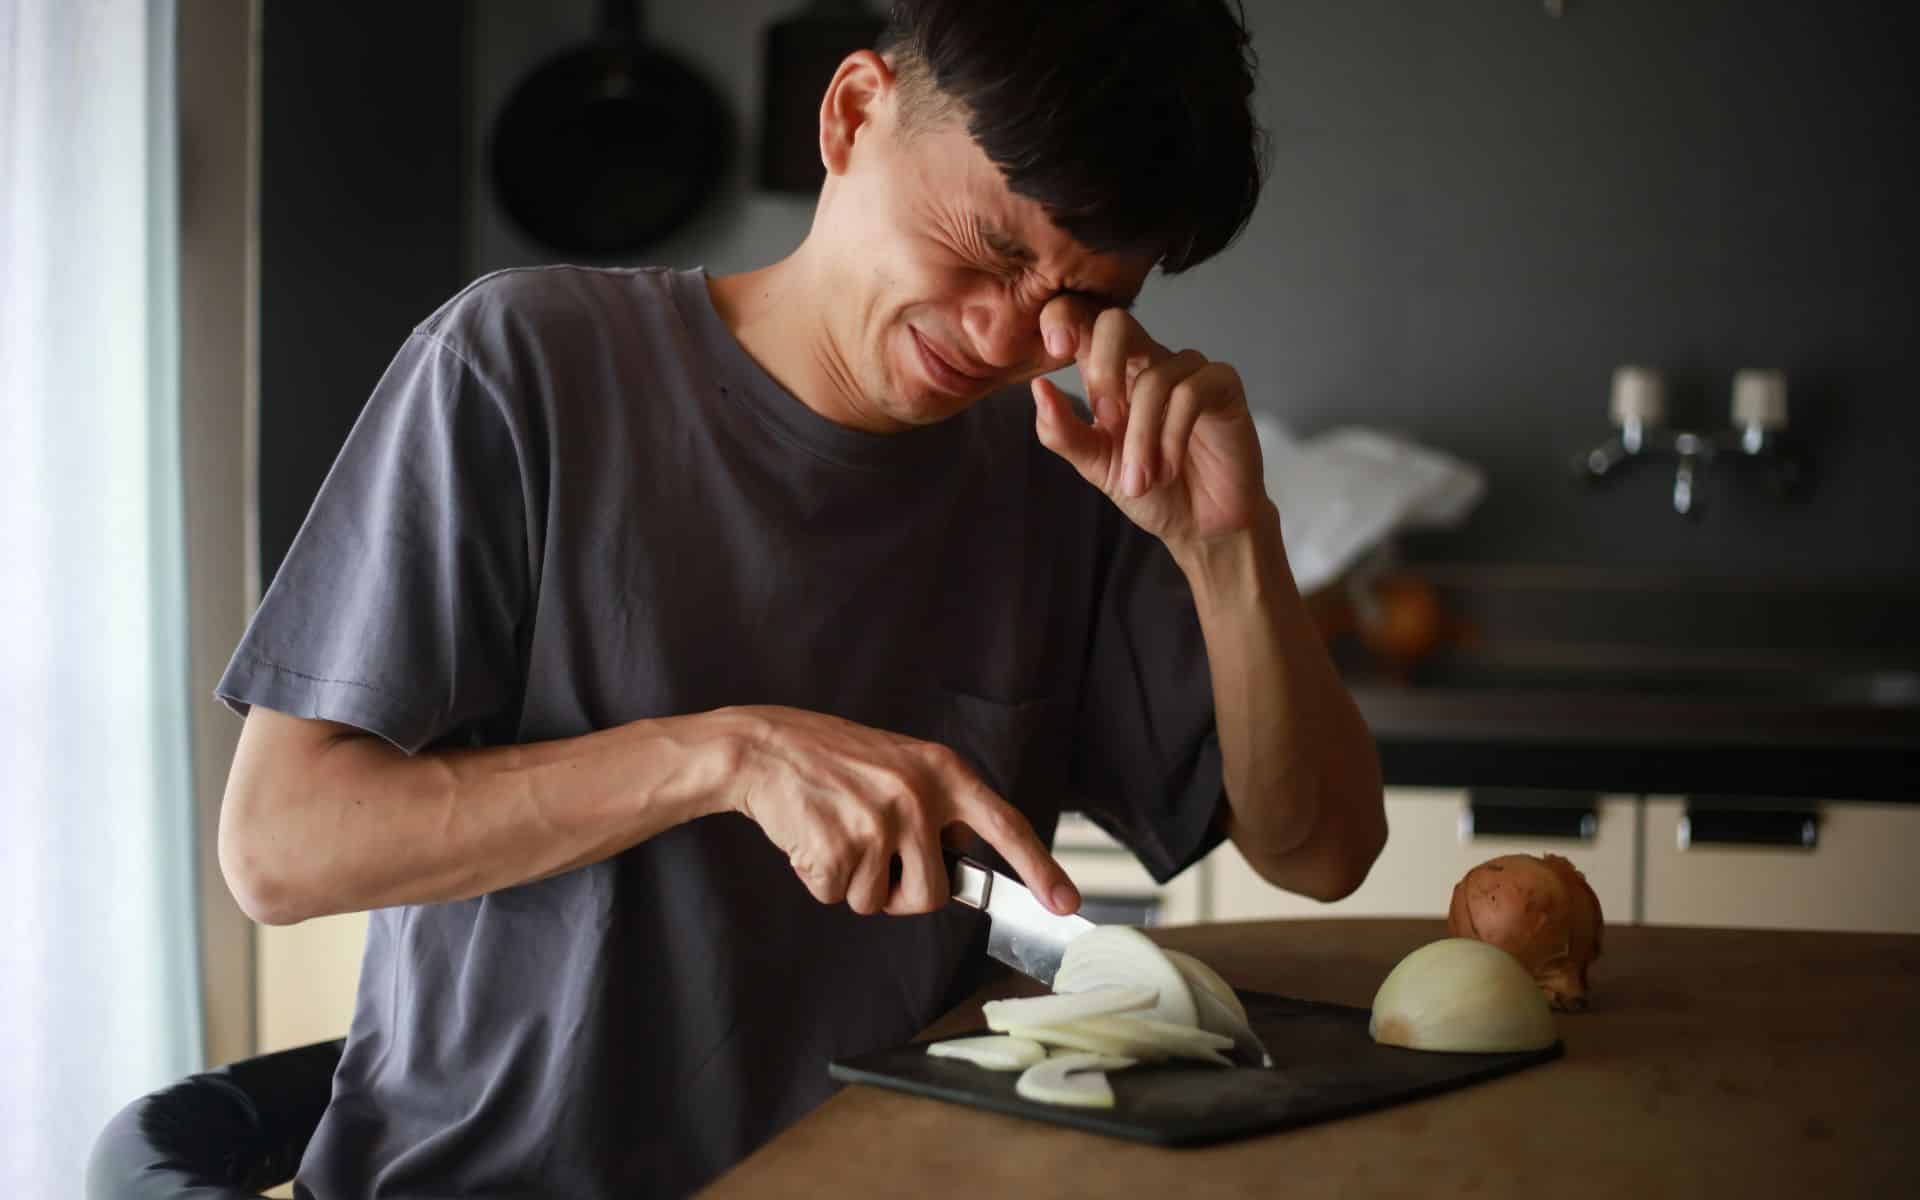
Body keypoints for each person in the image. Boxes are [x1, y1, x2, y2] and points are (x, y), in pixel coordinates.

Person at [215, 0, 1385, 1194]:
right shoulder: (524, 366)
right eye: (986, 247)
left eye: (1077, 302)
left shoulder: (1062, 477)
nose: (1007, 333)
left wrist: (1231, 548)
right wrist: (729, 757)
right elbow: (282, 846)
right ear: (853, 113)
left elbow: (1323, 852)